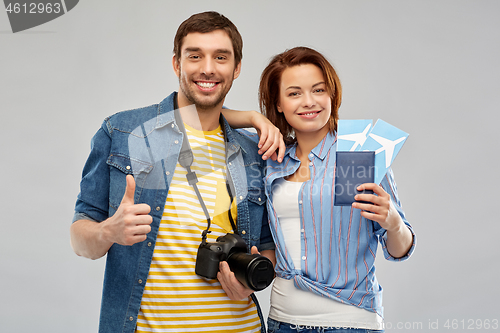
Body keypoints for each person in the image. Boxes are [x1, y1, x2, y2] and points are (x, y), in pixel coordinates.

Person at [70, 11, 282, 333]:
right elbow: (79, 236)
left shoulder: (253, 152)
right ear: (176, 64)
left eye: (220, 57)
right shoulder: (127, 133)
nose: (208, 68)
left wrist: (252, 284)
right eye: (194, 55)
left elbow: (268, 245)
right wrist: (108, 232)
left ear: (236, 68)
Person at [258, 47, 416, 333]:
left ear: (331, 94)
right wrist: (254, 119)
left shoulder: (356, 154)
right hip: (282, 321)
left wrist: (393, 222)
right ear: (278, 103)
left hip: (350, 323)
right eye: (294, 93)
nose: (309, 102)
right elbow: (210, 117)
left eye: (318, 90)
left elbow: (400, 249)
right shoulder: (273, 159)